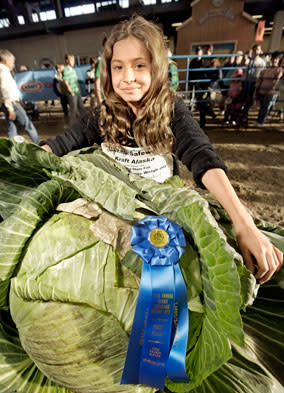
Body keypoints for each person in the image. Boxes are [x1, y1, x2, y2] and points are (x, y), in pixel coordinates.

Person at [40, 15, 282, 284]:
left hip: (162, 217)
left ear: (156, 68)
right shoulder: (102, 115)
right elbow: (62, 143)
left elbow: (202, 155)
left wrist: (244, 224)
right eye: (118, 67)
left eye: (139, 65)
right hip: (116, 211)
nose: (127, 77)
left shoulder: (172, 111)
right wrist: (27, 153)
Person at [0, 49, 39, 144]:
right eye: (12, 62)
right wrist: (11, 108)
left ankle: (11, 147)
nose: (13, 65)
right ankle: (39, 144)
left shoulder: (0, 70)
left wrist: (18, 101)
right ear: (6, 60)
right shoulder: (3, 72)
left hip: (9, 103)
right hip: (12, 104)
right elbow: (5, 91)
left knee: (12, 127)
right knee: (28, 125)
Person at [255, 51, 283, 127]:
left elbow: (277, 80)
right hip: (262, 90)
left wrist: (272, 89)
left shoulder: (279, 70)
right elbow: (261, 79)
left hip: (271, 91)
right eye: (273, 59)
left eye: (276, 59)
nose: (274, 61)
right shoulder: (266, 70)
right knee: (262, 106)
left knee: (266, 107)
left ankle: (261, 121)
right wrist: (257, 88)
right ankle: (259, 120)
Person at [62, 53, 85, 123]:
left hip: (77, 92)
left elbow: (76, 81)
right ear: (67, 61)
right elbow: (65, 81)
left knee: (81, 108)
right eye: (71, 60)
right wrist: (70, 90)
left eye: (73, 60)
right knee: (73, 110)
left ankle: (84, 123)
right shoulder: (65, 70)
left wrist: (79, 88)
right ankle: (73, 125)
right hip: (71, 93)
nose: (73, 61)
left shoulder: (73, 70)